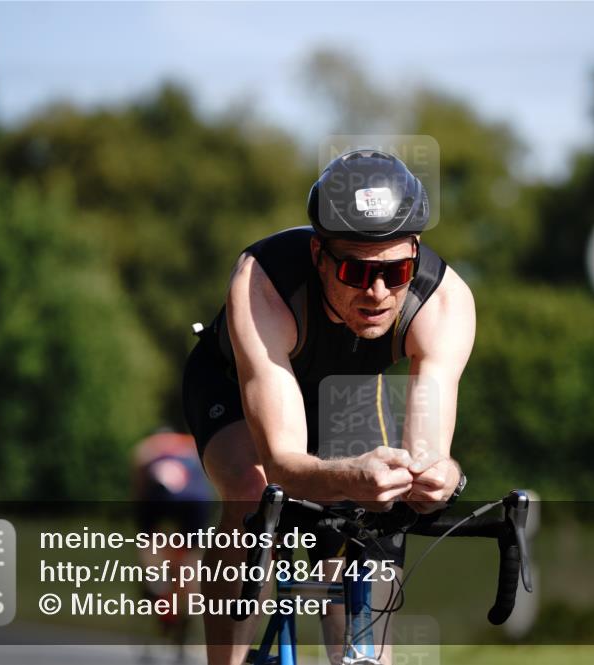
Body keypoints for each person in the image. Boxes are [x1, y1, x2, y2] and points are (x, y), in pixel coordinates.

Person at [182, 150, 474, 665]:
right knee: (254, 492)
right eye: (354, 271)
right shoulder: (263, 284)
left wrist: (439, 478)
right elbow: (283, 464)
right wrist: (346, 477)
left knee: (383, 506)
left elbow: (428, 455)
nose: (379, 292)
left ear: (417, 253)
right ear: (319, 255)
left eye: (397, 270)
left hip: (349, 392)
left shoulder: (443, 302)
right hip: (236, 387)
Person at [132, 428, 214, 660]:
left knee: (148, 540)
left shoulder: (151, 443)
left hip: (158, 492)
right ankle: (188, 596)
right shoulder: (192, 442)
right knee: (191, 555)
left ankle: (154, 580)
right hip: (196, 497)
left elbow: (138, 468)